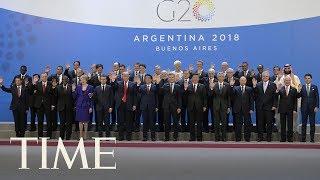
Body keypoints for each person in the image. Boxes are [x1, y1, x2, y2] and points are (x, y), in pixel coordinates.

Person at [111, 71, 137, 141]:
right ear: (122, 77)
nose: (125, 77)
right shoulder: (118, 83)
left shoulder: (133, 84)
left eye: (126, 76)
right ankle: (121, 137)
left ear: (129, 76)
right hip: (120, 105)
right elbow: (113, 87)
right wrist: (113, 81)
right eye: (124, 76)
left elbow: (135, 95)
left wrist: (134, 104)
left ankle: (128, 137)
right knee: (120, 122)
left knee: (129, 122)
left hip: (129, 104)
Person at [253, 71, 277, 142]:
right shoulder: (258, 84)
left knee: (269, 123)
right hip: (260, 107)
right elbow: (255, 96)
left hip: (269, 107)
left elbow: (275, 97)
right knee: (260, 123)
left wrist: (274, 105)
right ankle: (260, 137)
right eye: (263, 76)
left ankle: (269, 137)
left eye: (266, 76)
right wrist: (254, 87)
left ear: (268, 77)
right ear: (261, 77)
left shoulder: (273, 85)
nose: (265, 77)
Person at [210, 72, 231, 141]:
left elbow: (229, 97)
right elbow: (210, 96)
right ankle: (217, 137)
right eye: (219, 76)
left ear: (224, 77)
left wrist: (228, 107)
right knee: (216, 123)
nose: (221, 77)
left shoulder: (227, 85)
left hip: (224, 107)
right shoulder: (214, 85)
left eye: (222, 76)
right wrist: (211, 88)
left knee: (224, 123)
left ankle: (224, 137)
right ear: (217, 77)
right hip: (216, 106)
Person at [32, 73, 55, 138]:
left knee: (49, 121)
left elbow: (53, 95)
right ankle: (40, 136)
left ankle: (49, 136)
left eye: (45, 76)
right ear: (41, 78)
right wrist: (34, 83)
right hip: (39, 105)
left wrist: (53, 104)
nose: (44, 77)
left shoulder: (50, 84)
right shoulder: (37, 84)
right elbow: (31, 91)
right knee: (40, 121)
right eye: (43, 77)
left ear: (47, 77)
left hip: (48, 105)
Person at [161, 72, 182, 141]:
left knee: (176, 122)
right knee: (167, 122)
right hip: (166, 106)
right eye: (170, 77)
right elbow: (160, 93)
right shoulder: (164, 85)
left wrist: (179, 107)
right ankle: (166, 137)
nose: (171, 78)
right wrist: (161, 81)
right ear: (168, 78)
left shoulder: (178, 86)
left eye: (172, 77)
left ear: (175, 78)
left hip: (175, 107)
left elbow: (179, 98)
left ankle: (175, 137)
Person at [185, 73, 207, 141]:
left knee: (199, 123)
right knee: (191, 123)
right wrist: (185, 89)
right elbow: (185, 97)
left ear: (198, 79)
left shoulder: (202, 86)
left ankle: (199, 138)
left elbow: (205, 97)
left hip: (199, 107)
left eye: (196, 77)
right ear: (191, 79)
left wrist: (205, 106)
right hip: (191, 107)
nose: (195, 79)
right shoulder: (188, 86)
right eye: (194, 77)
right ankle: (192, 138)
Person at [298, 73, 319, 142]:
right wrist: (299, 90)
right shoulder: (302, 87)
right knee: (303, 124)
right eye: (306, 78)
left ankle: (312, 139)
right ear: (304, 79)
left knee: (312, 124)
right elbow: (298, 96)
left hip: (312, 108)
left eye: (309, 78)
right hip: (304, 108)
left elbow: (317, 97)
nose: (307, 79)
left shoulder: (314, 87)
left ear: (311, 79)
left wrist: (317, 106)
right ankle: (303, 139)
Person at [232, 76, 254, 142]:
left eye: (244, 80)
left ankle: (247, 138)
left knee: (247, 124)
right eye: (241, 80)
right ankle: (238, 138)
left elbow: (251, 99)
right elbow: (232, 96)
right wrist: (231, 86)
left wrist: (251, 108)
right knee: (238, 125)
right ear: (239, 81)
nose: (242, 81)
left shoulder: (249, 89)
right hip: (237, 109)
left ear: (246, 81)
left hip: (247, 109)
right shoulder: (235, 88)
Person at [72, 74, 94, 140]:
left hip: (86, 105)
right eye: (80, 79)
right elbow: (74, 97)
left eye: (81, 78)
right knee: (80, 121)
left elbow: (91, 98)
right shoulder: (78, 87)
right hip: (79, 106)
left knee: (86, 121)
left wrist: (91, 107)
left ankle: (85, 136)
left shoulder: (90, 87)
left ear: (85, 79)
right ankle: (80, 136)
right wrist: (73, 90)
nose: (80, 80)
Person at [277, 76, 298, 142]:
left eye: (288, 80)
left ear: (290, 81)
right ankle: (283, 138)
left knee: (290, 124)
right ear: (284, 81)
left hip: (290, 109)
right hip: (282, 109)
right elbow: (275, 96)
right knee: (282, 125)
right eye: (286, 80)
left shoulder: (294, 89)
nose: (287, 81)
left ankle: (290, 138)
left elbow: (295, 101)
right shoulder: (281, 88)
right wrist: (277, 90)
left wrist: (295, 109)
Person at [138, 74, 158, 141]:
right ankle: (145, 137)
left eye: (149, 78)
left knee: (152, 122)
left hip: (152, 107)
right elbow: (139, 96)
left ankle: (153, 137)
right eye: (146, 78)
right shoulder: (141, 87)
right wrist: (138, 85)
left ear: (151, 79)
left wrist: (157, 106)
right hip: (144, 107)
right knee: (145, 122)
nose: (147, 79)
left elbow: (156, 98)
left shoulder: (154, 87)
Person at [54, 75, 74, 140]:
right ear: (62, 80)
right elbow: (55, 97)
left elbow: (73, 98)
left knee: (69, 123)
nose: (65, 80)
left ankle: (68, 137)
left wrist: (73, 91)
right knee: (62, 123)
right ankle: (61, 137)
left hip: (69, 108)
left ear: (68, 80)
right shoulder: (58, 87)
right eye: (63, 79)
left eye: (66, 79)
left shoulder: (71, 87)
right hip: (61, 107)